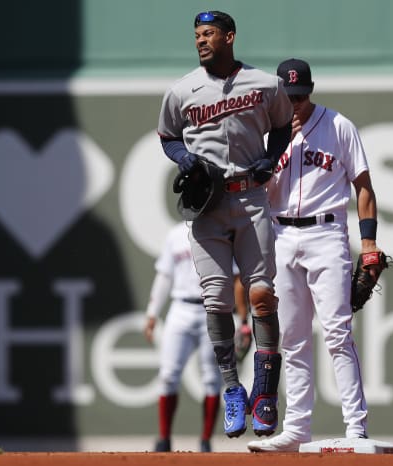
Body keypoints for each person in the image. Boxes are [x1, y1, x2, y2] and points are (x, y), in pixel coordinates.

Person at [157, 11, 294, 439]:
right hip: (207, 204)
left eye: (209, 33)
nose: (201, 40)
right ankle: (233, 389)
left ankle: (266, 393)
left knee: (261, 294)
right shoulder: (182, 90)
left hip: (251, 197)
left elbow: (282, 127)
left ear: (229, 37)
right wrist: (184, 158)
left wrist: (271, 161)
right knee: (215, 300)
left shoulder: (265, 84)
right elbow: (167, 135)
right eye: (197, 34)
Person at [247, 58, 380, 452]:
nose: (296, 103)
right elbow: (259, 193)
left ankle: (356, 428)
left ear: (311, 90)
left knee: (338, 332)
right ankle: (297, 429)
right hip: (281, 233)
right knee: (293, 337)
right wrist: (272, 155)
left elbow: (364, 186)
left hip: (326, 233)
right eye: (289, 97)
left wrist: (369, 243)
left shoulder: (339, 126)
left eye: (301, 95)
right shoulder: (267, 133)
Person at [144, 221, 249, 452]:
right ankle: (164, 439)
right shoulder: (175, 234)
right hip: (180, 308)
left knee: (212, 379)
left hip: (212, 310)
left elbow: (237, 280)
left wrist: (242, 320)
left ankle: (205, 440)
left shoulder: (223, 231)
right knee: (168, 375)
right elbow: (164, 276)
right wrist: (152, 313)